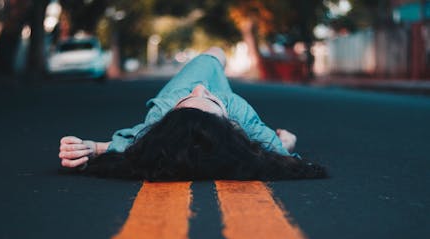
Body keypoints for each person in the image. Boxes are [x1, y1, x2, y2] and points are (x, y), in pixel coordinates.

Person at [59, 47, 327, 181]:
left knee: (214, 53)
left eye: (192, 99)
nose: (201, 88)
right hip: (223, 115)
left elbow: (131, 144)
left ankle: (208, 74)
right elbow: (279, 155)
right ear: (231, 126)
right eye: (206, 97)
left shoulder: (164, 110)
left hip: (185, 97)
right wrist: (286, 145)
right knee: (217, 55)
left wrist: (88, 149)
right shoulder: (237, 112)